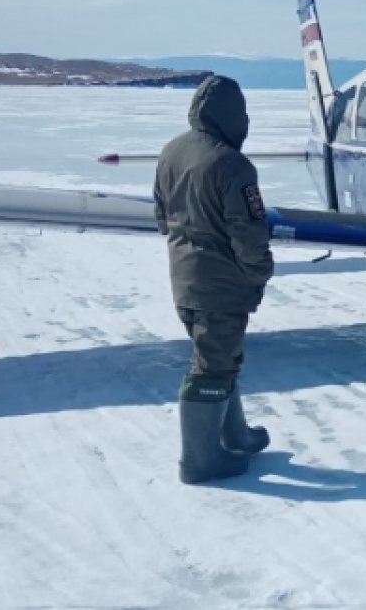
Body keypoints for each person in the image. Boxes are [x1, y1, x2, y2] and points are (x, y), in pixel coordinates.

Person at [153, 75, 274, 484]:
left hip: (184, 280)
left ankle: (234, 435)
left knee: (220, 356)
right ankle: (200, 461)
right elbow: (250, 234)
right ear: (234, 116)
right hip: (221, 285)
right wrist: (259, 273)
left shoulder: (171, 152)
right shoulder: (231, 164)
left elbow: (161, 217)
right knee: (212, 366)